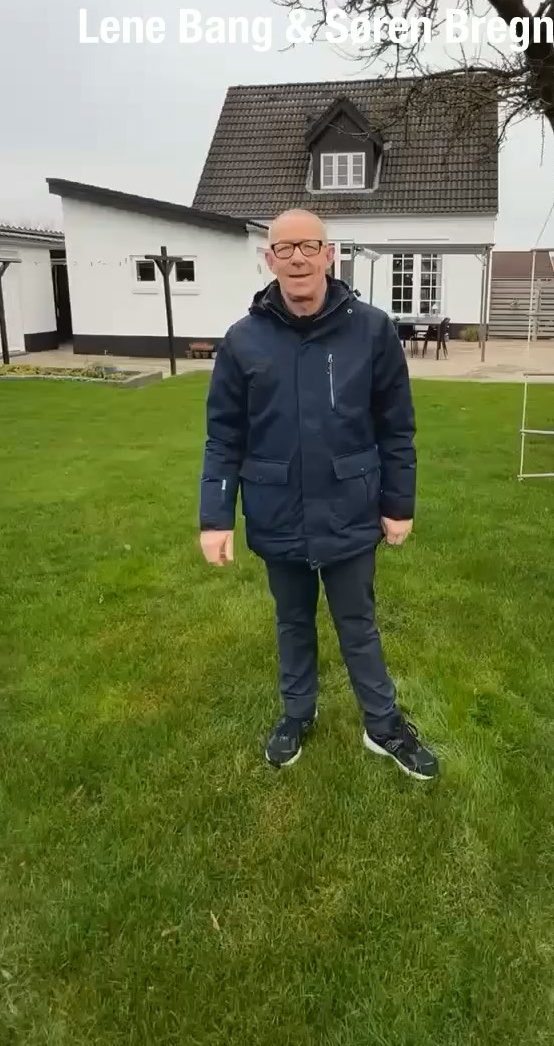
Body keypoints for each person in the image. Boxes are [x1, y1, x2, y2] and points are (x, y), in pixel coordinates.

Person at [199, 208, 438, 781]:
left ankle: (383, 725)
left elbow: (396, 427)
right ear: (269, 260)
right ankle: (296, 714)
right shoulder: (242, 340)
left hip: (350, 506)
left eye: (309, 246)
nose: (298, 258)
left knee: (357, 622)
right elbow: (224, 436)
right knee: (292, 621)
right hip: (276, 509)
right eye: (285, 248)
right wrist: (216, 517)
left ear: (330, 255)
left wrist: (398, 504)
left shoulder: (372, 330)